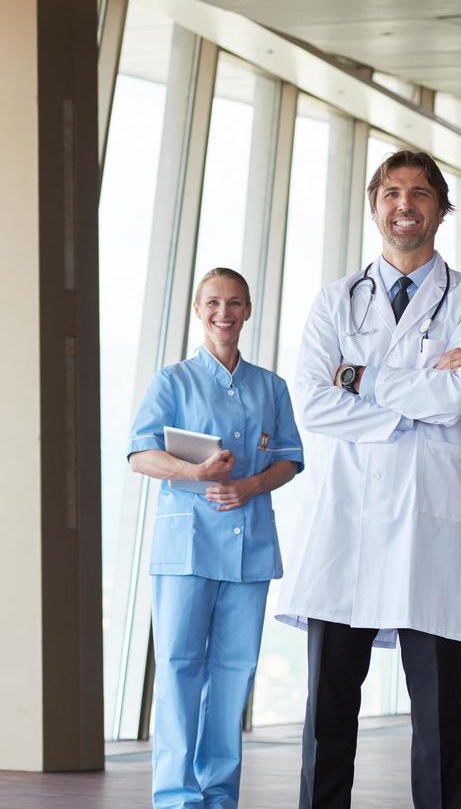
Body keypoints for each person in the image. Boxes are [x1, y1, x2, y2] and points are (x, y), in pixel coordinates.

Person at [275, 149, 461, 809]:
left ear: (441, 208)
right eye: (392, 192)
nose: (405, 203)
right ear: (375, 205)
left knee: (435, 712)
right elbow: (312, 402)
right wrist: (412, 398)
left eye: (420, 193)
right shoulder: (335, 300)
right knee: (328, 710)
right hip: (345, 517)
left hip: (426, 519)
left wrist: (360, 378)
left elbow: (457, 397)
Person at [127, 267, 304, 809]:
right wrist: (194, 474)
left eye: (233, 303)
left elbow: (291, 459)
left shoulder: (271, 386)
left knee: (234, 674)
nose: (222, 313)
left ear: (247, 310)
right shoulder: (172, 381)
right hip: (187, 550)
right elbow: (140, 454)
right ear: (197, 310)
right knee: (180, 669)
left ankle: (219, 794)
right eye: (212, 303)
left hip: (249, 549)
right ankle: (178, 797)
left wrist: (251, 483)